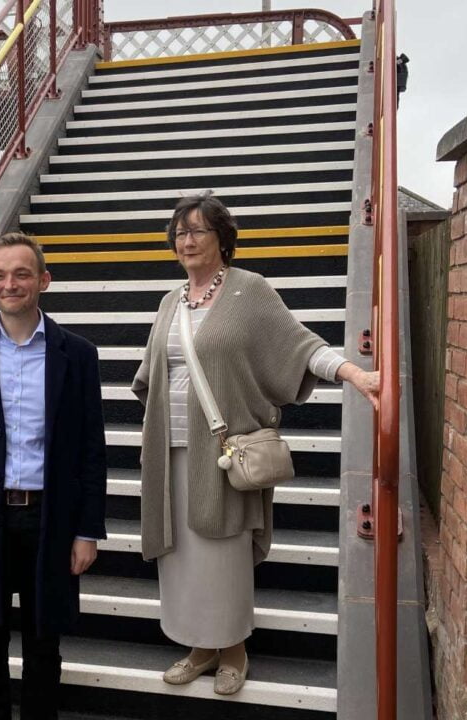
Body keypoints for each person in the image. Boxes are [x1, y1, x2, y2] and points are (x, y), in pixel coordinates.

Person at [131, 193, 379, 695]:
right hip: (169, 450)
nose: (188, 240)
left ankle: (233, 650)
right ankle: (200, 647)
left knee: (220, 553)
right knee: (180, 555)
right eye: (180, 232)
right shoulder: (169, 301)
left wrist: (354, 374)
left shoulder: (250, 290)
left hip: (221, 452)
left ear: (223, 238)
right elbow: (151, 375)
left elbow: (301, 345)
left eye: (199, 230)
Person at [0, 232, 107, 720]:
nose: (10, 284)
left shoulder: (77, 354)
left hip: (48, 522)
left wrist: (87, 530)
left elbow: (92, 450)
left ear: (44, 280)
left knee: (43, 651)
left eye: (22, 273)